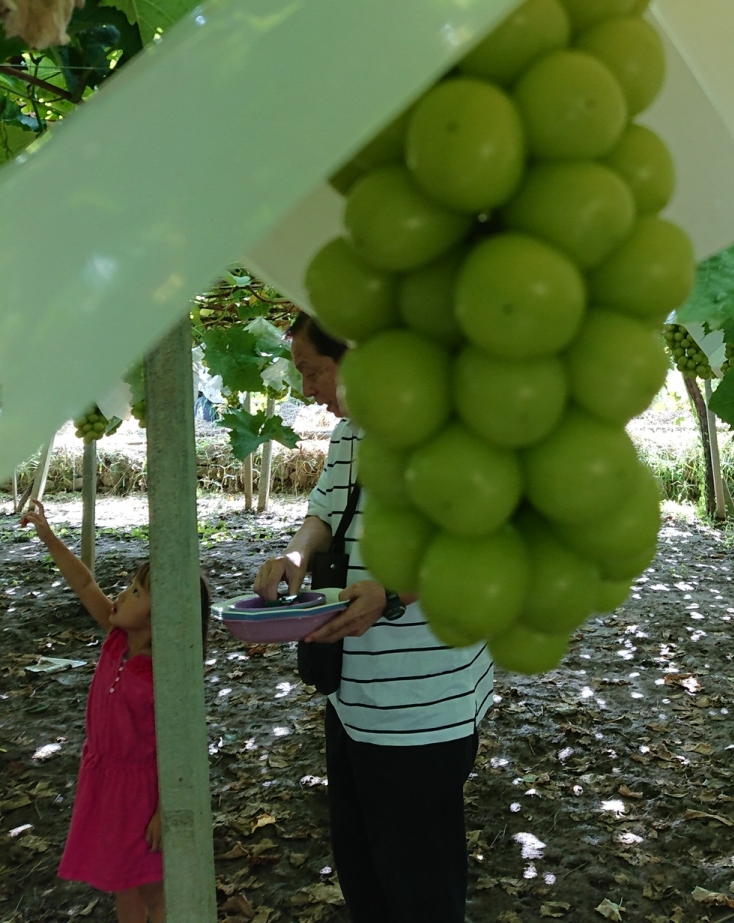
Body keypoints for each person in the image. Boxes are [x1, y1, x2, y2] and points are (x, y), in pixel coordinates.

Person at [255, 313, 494, 923]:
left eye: (314, 371)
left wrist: (387, 595)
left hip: (423, 707)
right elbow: (326, 508)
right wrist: (295, 555)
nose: (308, 388)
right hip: (354, 696)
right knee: (364, 869)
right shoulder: (352, 433)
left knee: (420, 885)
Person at [20, 500, 210, 923]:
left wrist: (165, 809)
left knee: (155, 891)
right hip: (105, 780)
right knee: (121, 883)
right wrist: (48, 536)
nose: (123, 594)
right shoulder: (116, 639)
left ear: (164, 613)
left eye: (137, 591)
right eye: (129, 585)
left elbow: (179, 744)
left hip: (144, 790)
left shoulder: (168, 674)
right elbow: (85, 584)